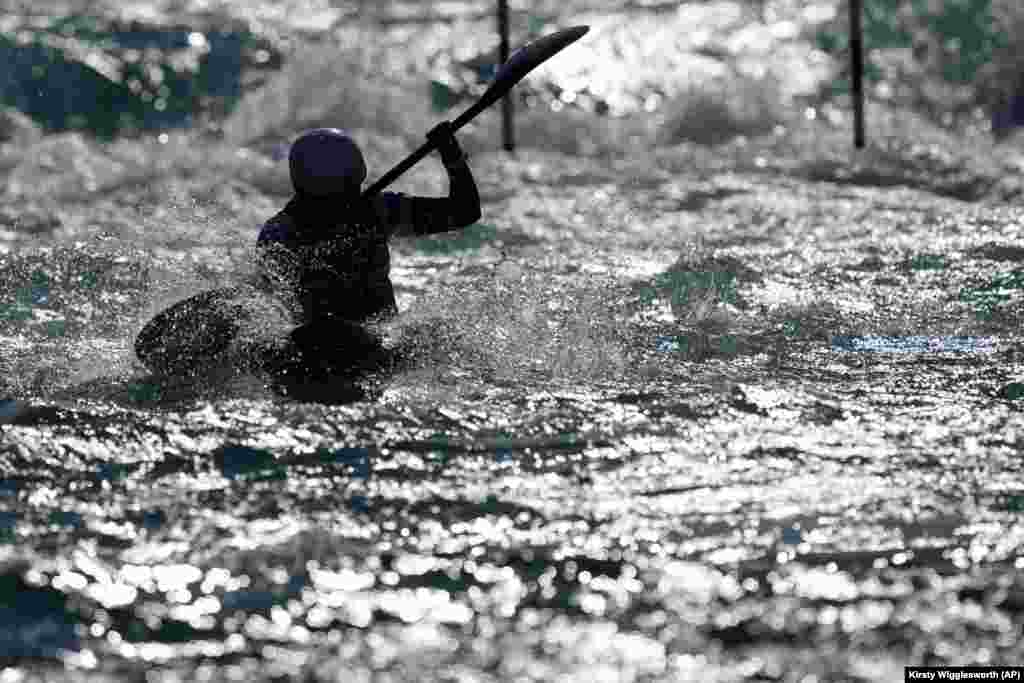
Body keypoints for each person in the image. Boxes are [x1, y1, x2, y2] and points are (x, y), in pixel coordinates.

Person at [256, 123, 482, 377]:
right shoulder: (281, 233)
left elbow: (464, 212)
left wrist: (452, 155)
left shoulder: (379, 211)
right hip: (316, 347)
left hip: (375, 341)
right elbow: (266, 308)